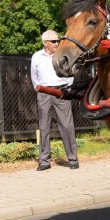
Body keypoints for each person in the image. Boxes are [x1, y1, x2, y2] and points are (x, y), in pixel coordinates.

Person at [31, 29, 79, 171]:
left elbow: (70, 73)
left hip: (61, 92)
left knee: (67, 125)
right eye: (53, 41)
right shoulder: (36, 56)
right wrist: (37, 87)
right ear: (45, 43)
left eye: (58, 40)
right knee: (44, 126)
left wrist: (67, 89)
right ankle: (44, 161)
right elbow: (34, 74)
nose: (57, 43)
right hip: (44, 93)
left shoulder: (62, 55)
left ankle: (72, 159)